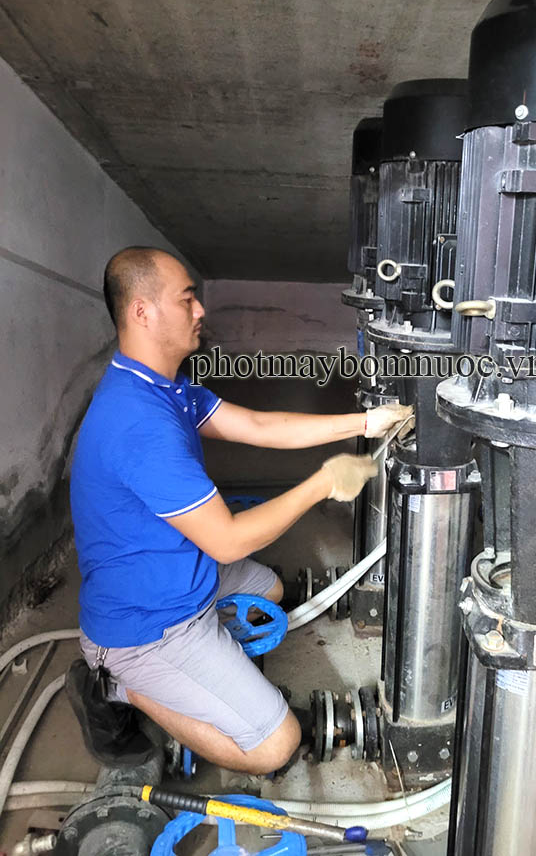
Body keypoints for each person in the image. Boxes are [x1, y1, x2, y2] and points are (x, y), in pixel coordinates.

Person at [70, 246, 411, 775]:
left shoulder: (162, 388)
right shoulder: (139, 423)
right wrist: (323, 483)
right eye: (186, 299)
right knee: (276, 746)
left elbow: (257, 425)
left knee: (269, 591)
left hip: (177, 572)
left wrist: (365, 423)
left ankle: (197, 667)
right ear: (142, 312)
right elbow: (227, 540)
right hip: (149, 623)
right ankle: (115, 685)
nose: (200, 310)